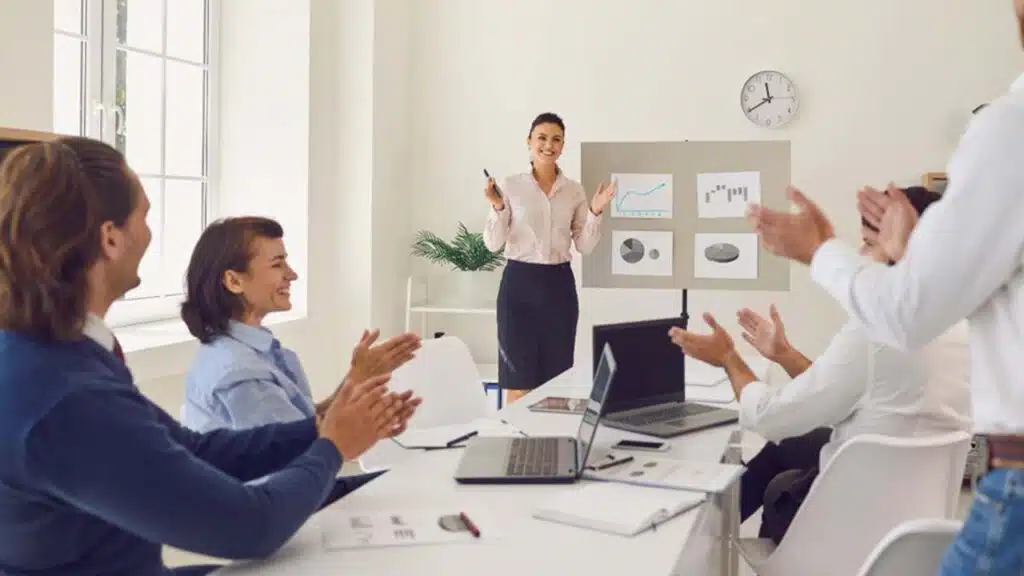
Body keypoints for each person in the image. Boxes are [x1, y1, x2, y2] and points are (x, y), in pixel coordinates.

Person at [0, 136, 418, 575]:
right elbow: (249, 527)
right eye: (144, 217)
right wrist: (333, 446)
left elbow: (192, 449)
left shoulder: (52, 354)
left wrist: (319, 426)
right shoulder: (69, 399)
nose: (150, 233)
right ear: (110, 238)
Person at [746, 3, 1024, 566]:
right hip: (915, 529)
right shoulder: (960, 335)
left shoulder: (1008, 129)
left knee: (779, 458)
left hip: (1003, 485)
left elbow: (901, 317)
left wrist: (820, 250)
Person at [670, 187, 972, 544]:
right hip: (913, 510)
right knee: (787, 448)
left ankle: (699, 539)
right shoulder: (963, 321)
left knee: (781, 478)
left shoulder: (875, 333)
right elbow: (850, 394)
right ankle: (710, 532)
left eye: (869, 244)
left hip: (847, 526)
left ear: (903, 247)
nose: (859, 255)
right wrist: (784, 354)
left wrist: (729, 359)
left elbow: (770, 417)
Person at [179, 216, 423, 505]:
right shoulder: (239, 373)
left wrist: (358, 381)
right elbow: (301, 455)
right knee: (420, 492)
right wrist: (361, 414)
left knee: (420, 483)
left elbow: (301, 428)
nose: (292, 275)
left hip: (297, 495)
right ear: (234, 281)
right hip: (282, 508)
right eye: (277, 264)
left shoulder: (251, 351)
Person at [482, 112, 616, 403]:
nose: (548, 145)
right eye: (541, 138)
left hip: (559, 287)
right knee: (519, 384)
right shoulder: (511, 186)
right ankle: (515, 433)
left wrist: (595, 211)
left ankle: (550, 433)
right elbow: (493, 244)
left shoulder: (574, 191)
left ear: (563, 145)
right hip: (518, 287)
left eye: (556, 139)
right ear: (529, 142)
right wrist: (497, 207)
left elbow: (585, 246)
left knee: (556, 385)